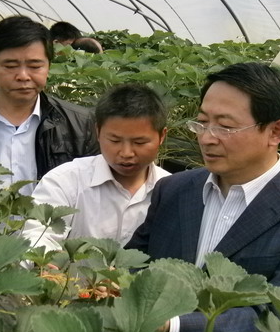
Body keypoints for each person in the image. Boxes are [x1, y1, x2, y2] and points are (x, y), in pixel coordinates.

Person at [127, 62, 280, 332]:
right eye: (202, 122)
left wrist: (168, 324)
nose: (206, 138)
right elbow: (134, 262)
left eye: (225, 127)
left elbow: (278, 319)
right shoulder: (173, 189)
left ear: (276, 132)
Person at [0, 15, 98, 195]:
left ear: (48, 66)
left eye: (35, 66)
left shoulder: (82, 125)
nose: (23, 76)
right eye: (10, 66)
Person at [21, 83, 169, 251]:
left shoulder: (173, 190)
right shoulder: (65, 181)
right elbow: (37, 235)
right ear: (97, 132)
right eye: (114, 140)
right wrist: (43, 260)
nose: (126, 153)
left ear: (162, 136)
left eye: (139, 142)